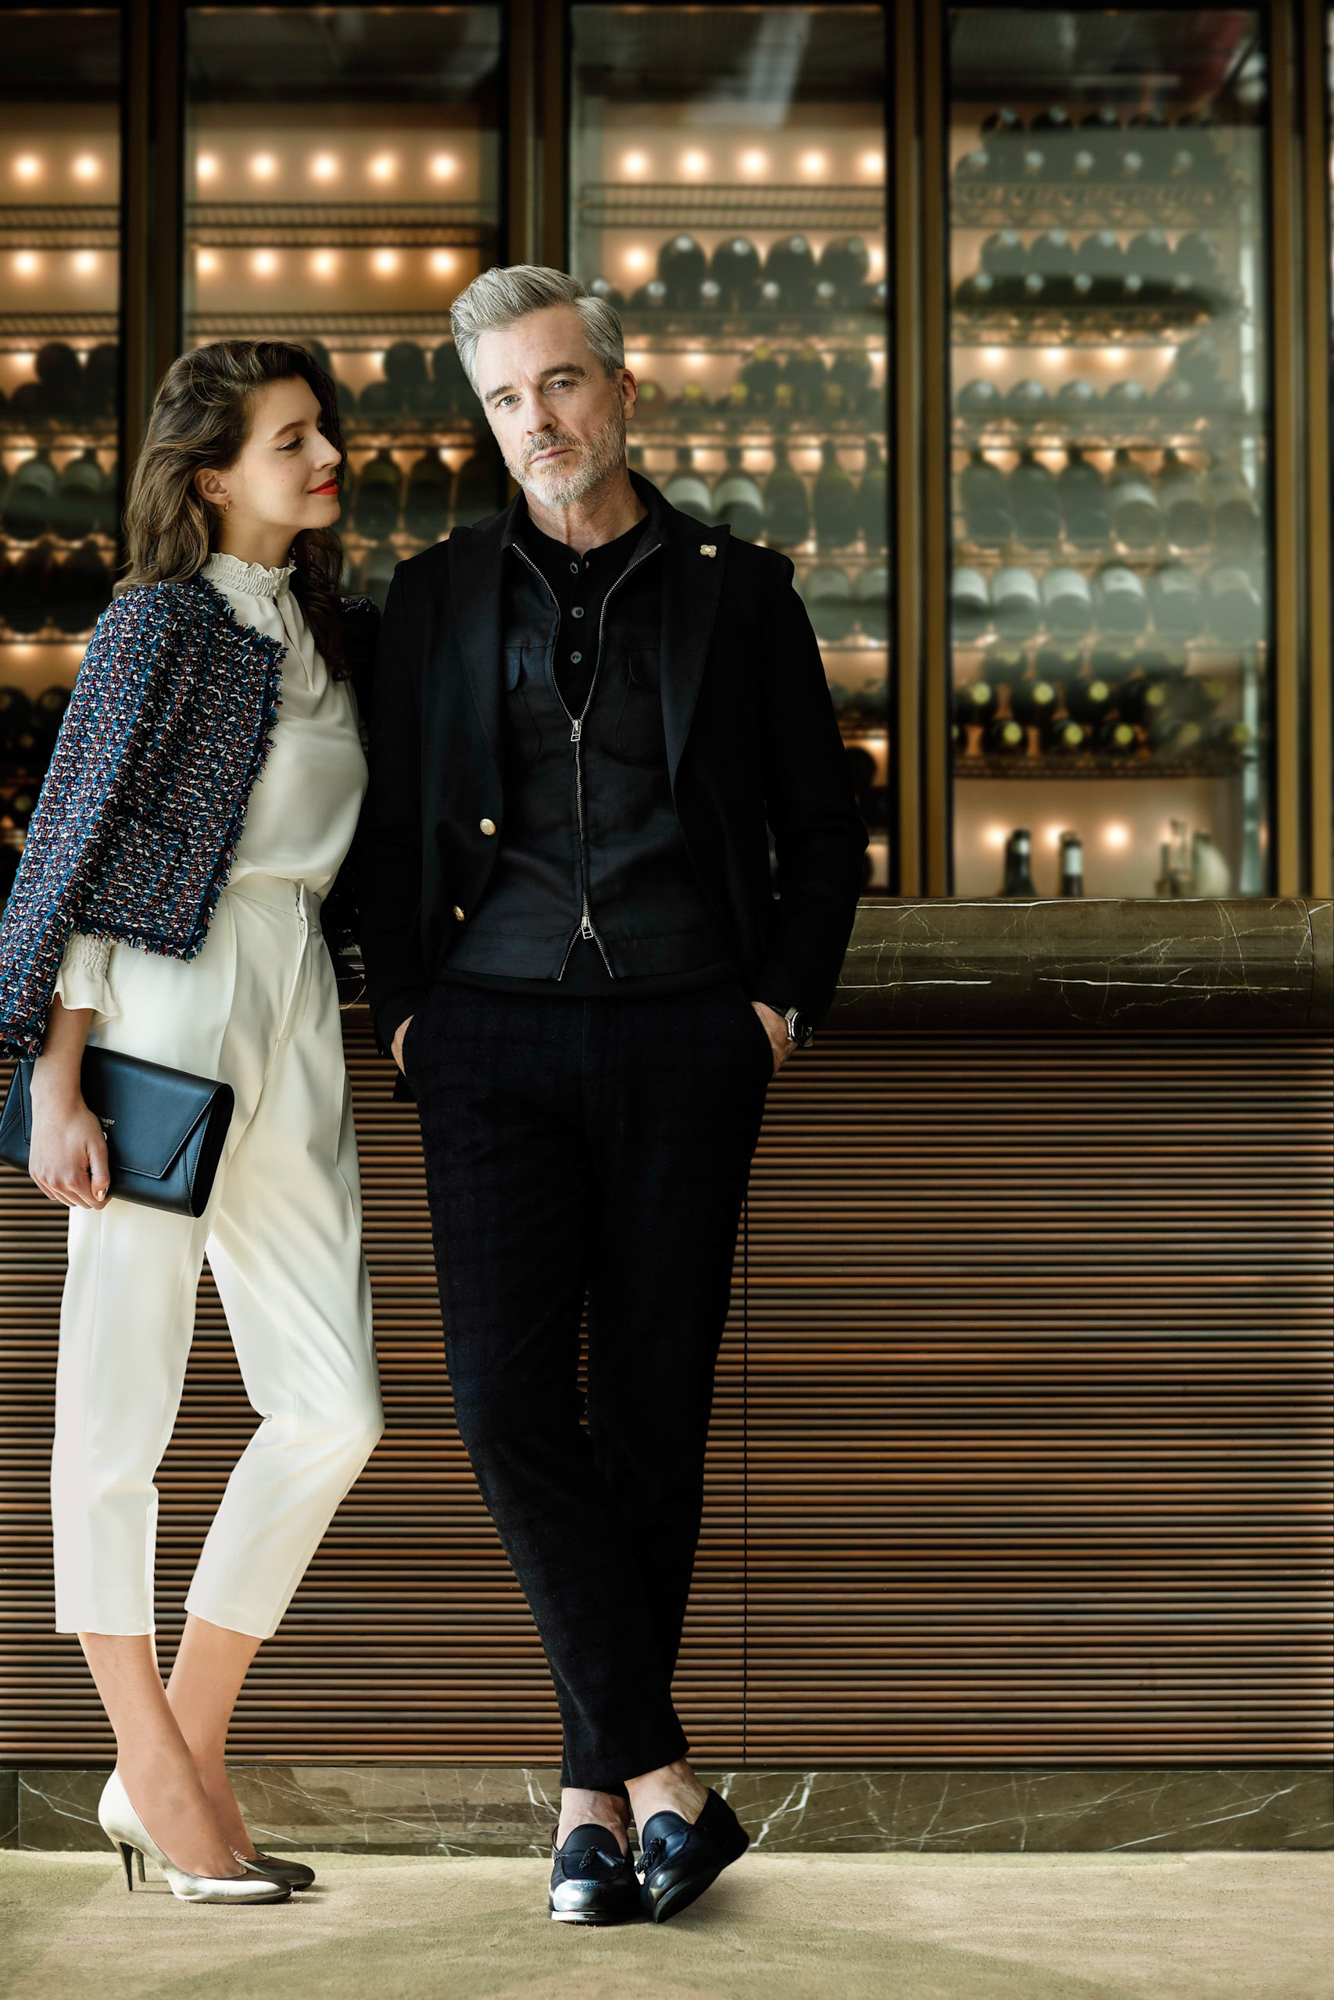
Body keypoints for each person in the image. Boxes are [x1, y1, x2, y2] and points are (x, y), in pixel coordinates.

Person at [357, 266, 866, 1925]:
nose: (539, 421)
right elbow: (389, 831)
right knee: (505, 1406)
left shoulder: (742, 590)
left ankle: (594, 1814)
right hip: (488, 1042)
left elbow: (820, 828)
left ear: (623, 391)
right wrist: (409, 1014)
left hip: (682, 1036)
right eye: (507, 399)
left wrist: (774, 1007)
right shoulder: (432, 595)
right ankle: (663, 1781)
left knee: (651, 1416)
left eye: (561, 384)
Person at [0, 340, 383, 1905]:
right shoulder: (158, 623)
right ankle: (149, 1759)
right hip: (163, 995)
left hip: (295, 999)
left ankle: (184, 1741)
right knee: (121, 1397)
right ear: (211, 474)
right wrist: (54, 1079)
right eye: (290, 438)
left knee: (334, 1408)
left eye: (324, 429)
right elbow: (76, 844)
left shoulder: (332, 632)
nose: (326, 453)